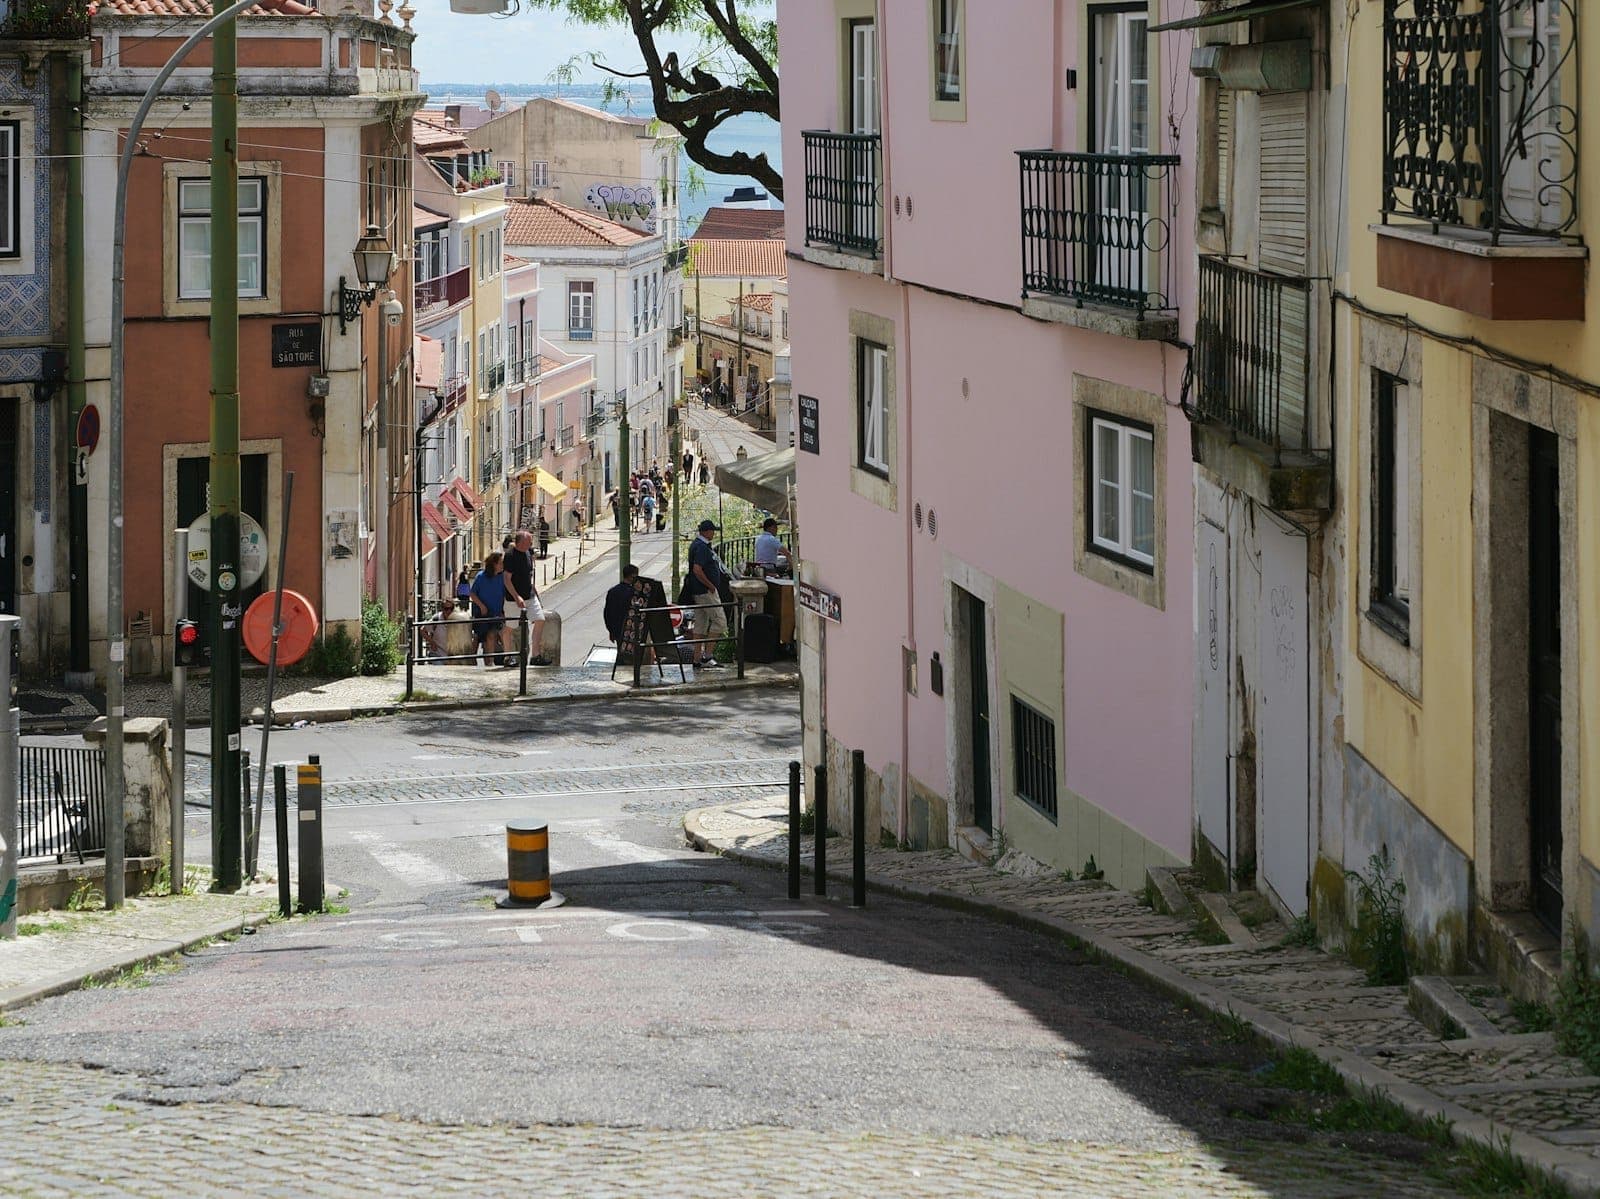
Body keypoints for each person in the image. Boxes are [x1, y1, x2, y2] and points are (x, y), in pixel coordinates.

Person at [685, 519, 729, 668]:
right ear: (706, 531)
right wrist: (710, 586)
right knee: (720, 621)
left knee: (701, 624)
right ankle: (707, 655)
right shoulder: (702, 547)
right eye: (712, 531)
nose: (714, 533)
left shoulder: (696, 545)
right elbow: (697, 569)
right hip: (705, 592)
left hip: (698, 591)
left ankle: (697, 659)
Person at [503, 529, 550, 666]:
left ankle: (536, 655)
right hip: (513, 599)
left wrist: (536, 595)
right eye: (529, 541)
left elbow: (529, 578)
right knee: (509, 629)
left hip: (529, 596)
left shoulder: (529, 553)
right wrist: (517, 597)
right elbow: (507, 579)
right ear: (522, 542)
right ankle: (508, 657)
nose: (531, 543)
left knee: (540, 619)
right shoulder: (510, 556)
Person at [469, 552, 510, 666]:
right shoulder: (481, 577)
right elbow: (472, 594)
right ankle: (476, 659)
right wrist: (482, 606)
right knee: (479, 637)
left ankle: (495, 660)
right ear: (494, 564)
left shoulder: (502, 577)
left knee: (494, 635)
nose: (503, 566)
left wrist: (504, 610)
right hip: (482, 612)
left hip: (496, 612)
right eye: (501, 563)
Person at [604, 563, 641, 651]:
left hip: (617, 631)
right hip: (631, 631)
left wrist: (611, 631)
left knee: (621, 653)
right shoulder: (634, 593)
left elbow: (607, 613)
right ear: (632, 577)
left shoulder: (612, 591)